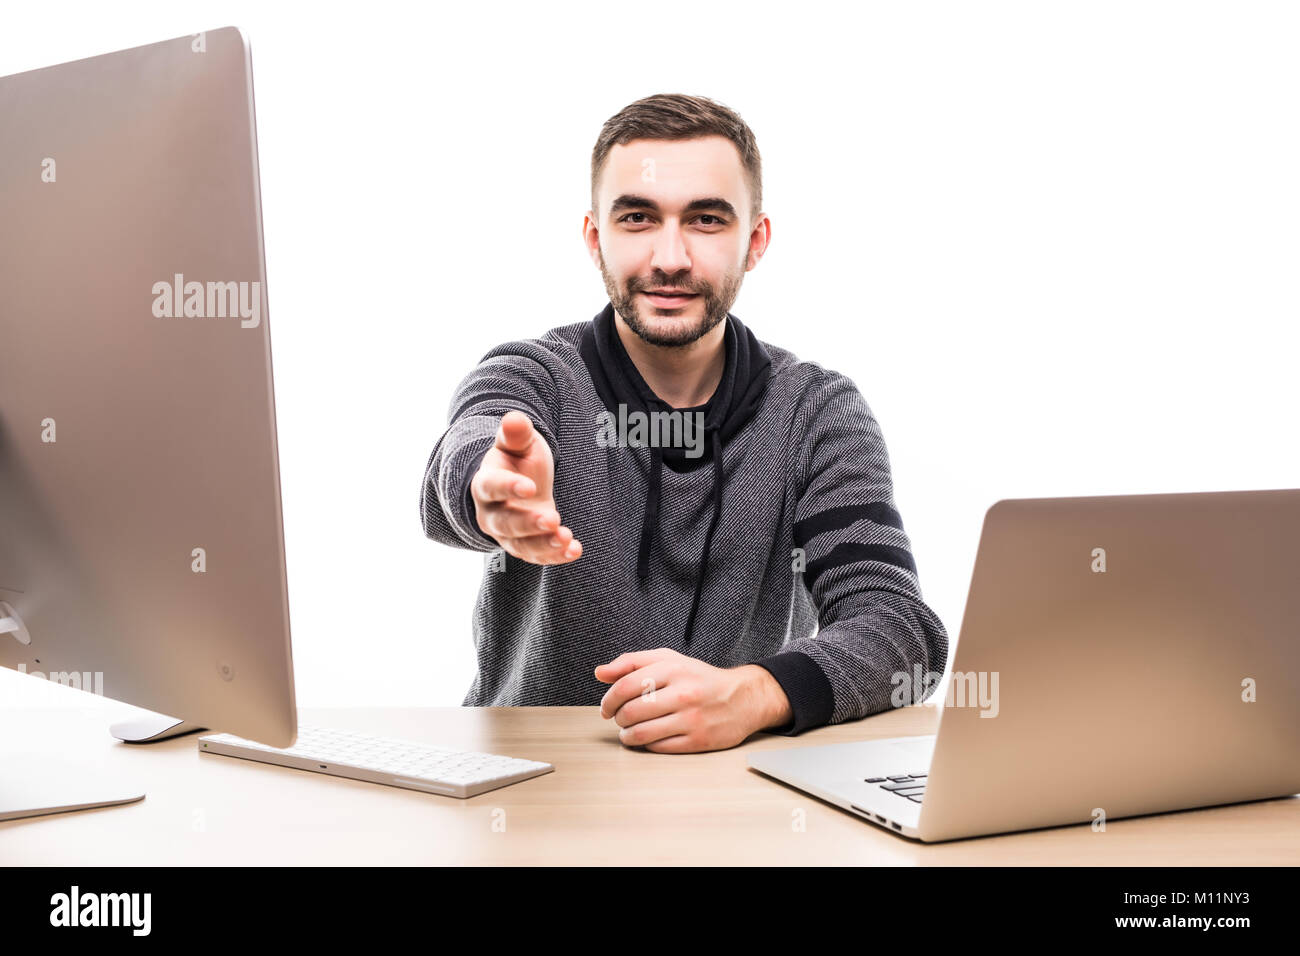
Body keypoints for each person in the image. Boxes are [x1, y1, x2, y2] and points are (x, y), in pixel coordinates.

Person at [421, 93, 948, 753]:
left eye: (705, 220)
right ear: (595, 239)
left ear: (754, 242)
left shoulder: (817, 413)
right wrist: (490, 493)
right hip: (528, 790)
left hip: (740, 801)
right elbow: (468, 451)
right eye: (638, 218)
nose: (670, 257)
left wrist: (755, 693)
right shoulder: (535, 376)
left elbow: (902, 631)